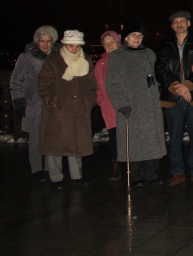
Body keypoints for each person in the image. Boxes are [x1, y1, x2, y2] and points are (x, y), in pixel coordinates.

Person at [106, 20, 167, 186]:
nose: (137, 38)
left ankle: (152, 174)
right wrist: (120, 104)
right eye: (133, 35)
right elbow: (111, 83)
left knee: (152, 141)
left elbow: (157, 75)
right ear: (126, 37)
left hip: (149, 104)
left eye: (140, 35)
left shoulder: (149, 54)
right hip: (130, 105)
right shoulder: (117, 56)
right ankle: (135, 176)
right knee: (133, 142)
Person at [155, 10, 193, 186]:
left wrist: (187, 86)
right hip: (172, 97)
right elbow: (160, 70)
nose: (179, 24)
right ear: (172, 26)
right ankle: (177, 172)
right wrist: (177, 87)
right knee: (174, 137)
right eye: (176, 22)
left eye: (182, 21)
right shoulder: (163, 45)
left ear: (188, 23)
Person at [37, 30, 98, 189]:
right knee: (55, 146)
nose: (74, 49)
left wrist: (88, 103)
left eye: (77, 46)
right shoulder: (54, 59)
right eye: (71, 46)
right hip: (58, 111)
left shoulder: (86, 59)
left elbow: (92, 85)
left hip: (79, 110)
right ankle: (56, 177)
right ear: (64, 44)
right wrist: (54, 103)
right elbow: (43, 84)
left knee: (76, 145)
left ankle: (76, 176)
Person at [10, 25, 59, 182]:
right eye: (42, 41)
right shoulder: (26, 57)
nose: (45, 44)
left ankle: (49, 169)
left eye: (48, 41)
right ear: (37, 41)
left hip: (53, 104)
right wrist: (18, 100)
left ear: (52, 42)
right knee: (36, 140)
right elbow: (16, 80)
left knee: (51, 137)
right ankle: (37, 170)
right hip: (34, 104)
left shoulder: (58, 56)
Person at [95, 30, 122, 181]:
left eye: (112, 42)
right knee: (114, 139)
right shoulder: (101, 64)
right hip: (110, 107)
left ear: (118, 42)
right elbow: (97, 86)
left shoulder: (127, 59)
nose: (109, 45)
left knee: (131, 137)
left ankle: (133, 168)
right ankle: (116, 167)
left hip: (128, 105)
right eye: (106, 44)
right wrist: (101, 100)